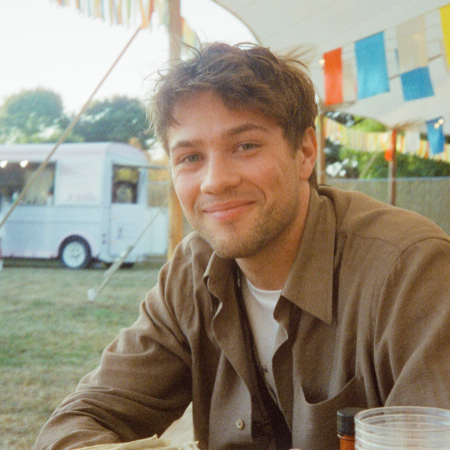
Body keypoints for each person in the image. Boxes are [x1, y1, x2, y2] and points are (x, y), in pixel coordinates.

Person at [33, 43, 450, 450]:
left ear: (305, 152)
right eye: (190, 157)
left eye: (245, 146)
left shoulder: (411, 269)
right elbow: (80, 419)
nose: (215, 180)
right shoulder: (193, 271)